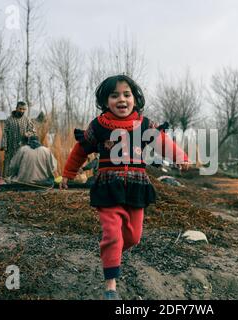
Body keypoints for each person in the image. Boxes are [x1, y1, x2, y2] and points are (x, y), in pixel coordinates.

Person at [60, 75, 189, 300]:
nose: (122, 99)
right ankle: (111, 286)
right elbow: (81, 150)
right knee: (112, 234)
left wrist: (180, 156)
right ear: (105, 101)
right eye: (115, 95)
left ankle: (111, 254)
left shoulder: (144, 124)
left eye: (126, 94)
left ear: (135, 99)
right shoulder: (99, 126)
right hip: (109, 188)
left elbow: (163, 143)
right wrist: (68, 173)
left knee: (133, 237)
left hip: (136, 188)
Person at [0, 101, 36, 179]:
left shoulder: (27, 120)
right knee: (10, 165)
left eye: (24, 109)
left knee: (23, 165)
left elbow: (33, 131)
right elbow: (5, 133)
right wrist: (4, 145)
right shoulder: (9, 120)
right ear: (16, 108)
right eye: (20, 109)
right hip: (11, 148)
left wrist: (28, 134)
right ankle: (8, 181)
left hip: (23, 148)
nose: (22, 111)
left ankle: (22, 181)